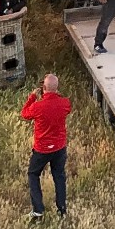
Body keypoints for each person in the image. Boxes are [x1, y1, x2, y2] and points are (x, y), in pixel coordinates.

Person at [21, 73, 71, 220]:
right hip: (59, 148)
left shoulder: (37, 107)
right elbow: (65, 106)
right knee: (59, 176)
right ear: (57, 88)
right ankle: (61, 209)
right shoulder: (65, 103)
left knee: (33, 174)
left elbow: (24, 114)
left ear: (43, 88)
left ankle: (38, 210)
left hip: (41, 149)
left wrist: (32, 97)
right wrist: (55, 94)